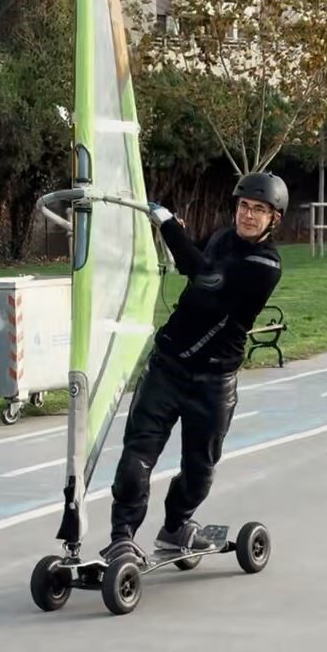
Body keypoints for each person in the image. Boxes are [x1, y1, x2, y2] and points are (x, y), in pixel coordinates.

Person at [100, 172, 288, 562]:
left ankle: (176, 526)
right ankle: (122, 535)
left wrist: (170, 227)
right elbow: (193, 260)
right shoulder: (221, 237)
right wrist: (178, 240)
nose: (248, 216)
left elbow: (207, 279)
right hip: (168, 365)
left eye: (259, 210)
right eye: (243, 206)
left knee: (200, 471)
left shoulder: (264, 264)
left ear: (274, 219)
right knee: (138, 454)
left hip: (215, 380)